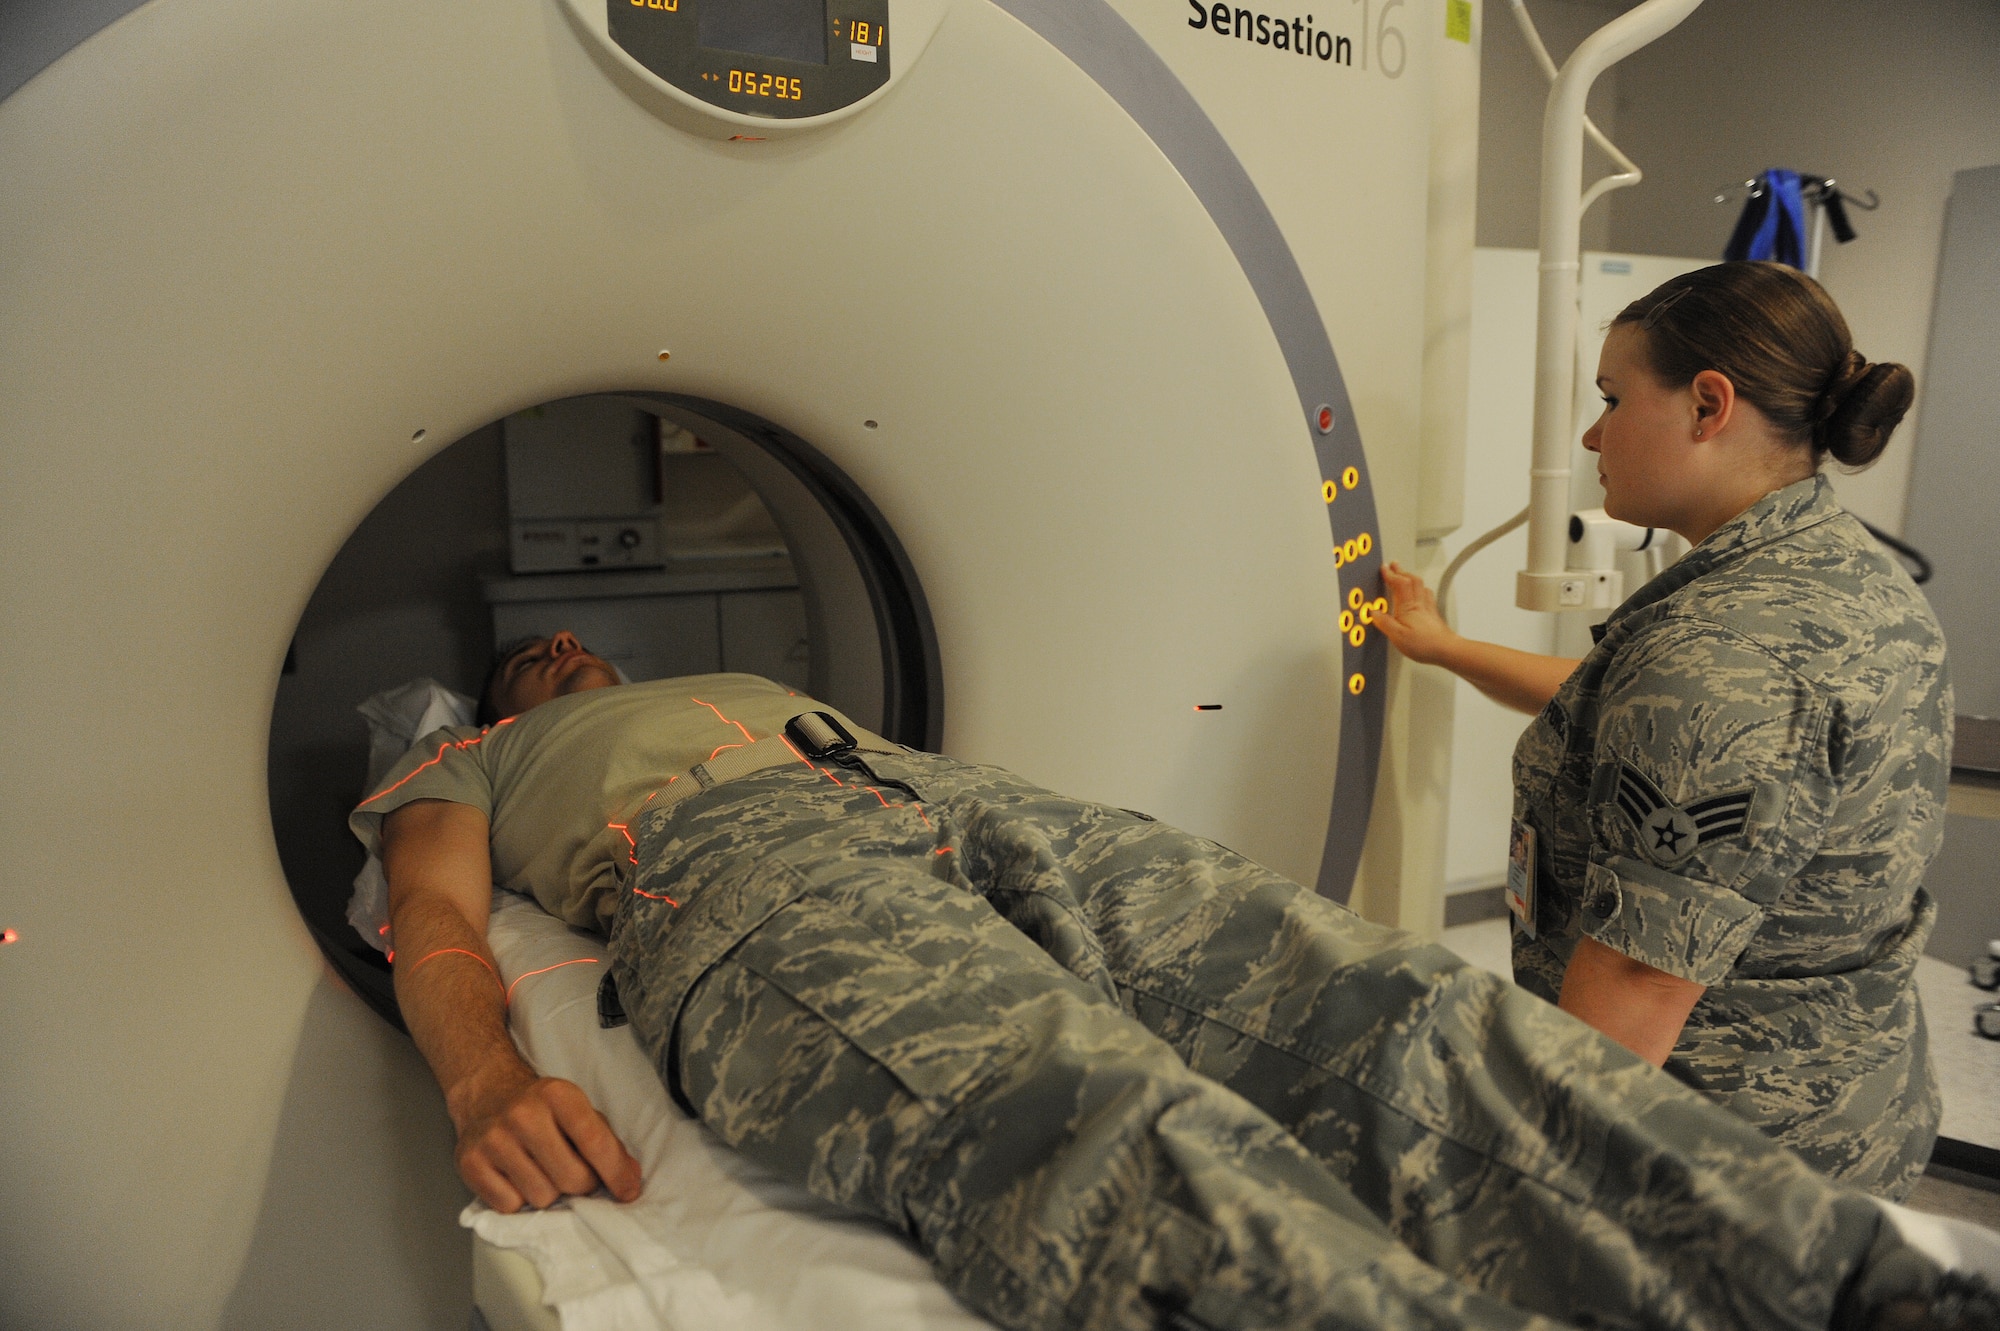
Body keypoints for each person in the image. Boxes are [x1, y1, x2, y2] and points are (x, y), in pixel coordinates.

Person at [353, 630, 1993, 1331]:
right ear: (498, 698)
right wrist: (486, 1077)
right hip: (729, 866)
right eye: (532, 662)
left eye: (573, 654)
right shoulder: (479, 766)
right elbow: (433, 921)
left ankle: (1857, 1292)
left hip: (955, 795)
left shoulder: (739, 673)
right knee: (1101, 1113)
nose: (562, 661)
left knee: (1385, 1003)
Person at [1374, 261, 1949, 1202]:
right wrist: (1445, 648)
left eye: (1611, 397)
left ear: (1707, 404)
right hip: (1848, 1101)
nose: (1595, 434)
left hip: (1714, 1158)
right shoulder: (1833, 574)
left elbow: (1637, 991)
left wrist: (1509, 1193)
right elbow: (1624, 705)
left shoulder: (1722, 655)